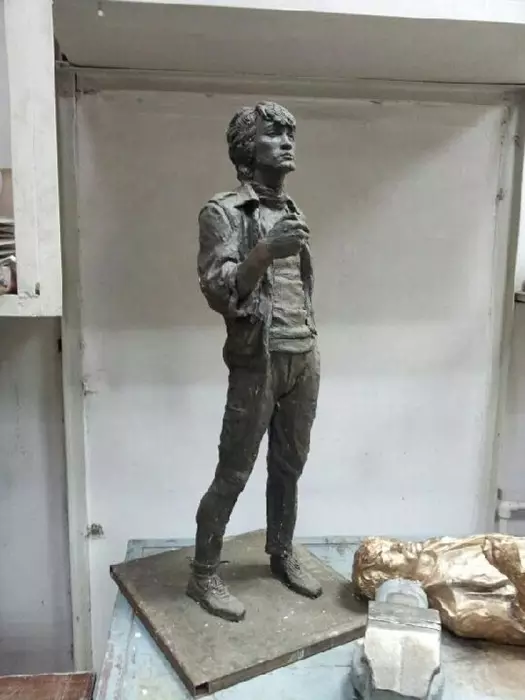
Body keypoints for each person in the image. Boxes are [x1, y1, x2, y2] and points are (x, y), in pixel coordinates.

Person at [186, 101, 322, 621]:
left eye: (290, 134)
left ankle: (281, 553)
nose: (287, 142)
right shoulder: (222, 212)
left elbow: (300, 288)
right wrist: (264, 250)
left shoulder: (292, 209)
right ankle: (203, 573)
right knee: (234, 471)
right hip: (257, 362)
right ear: (247, 147)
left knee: (289, 467)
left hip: (302, 356)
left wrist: (307, 338)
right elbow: (219, 290)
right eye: (274, 134)